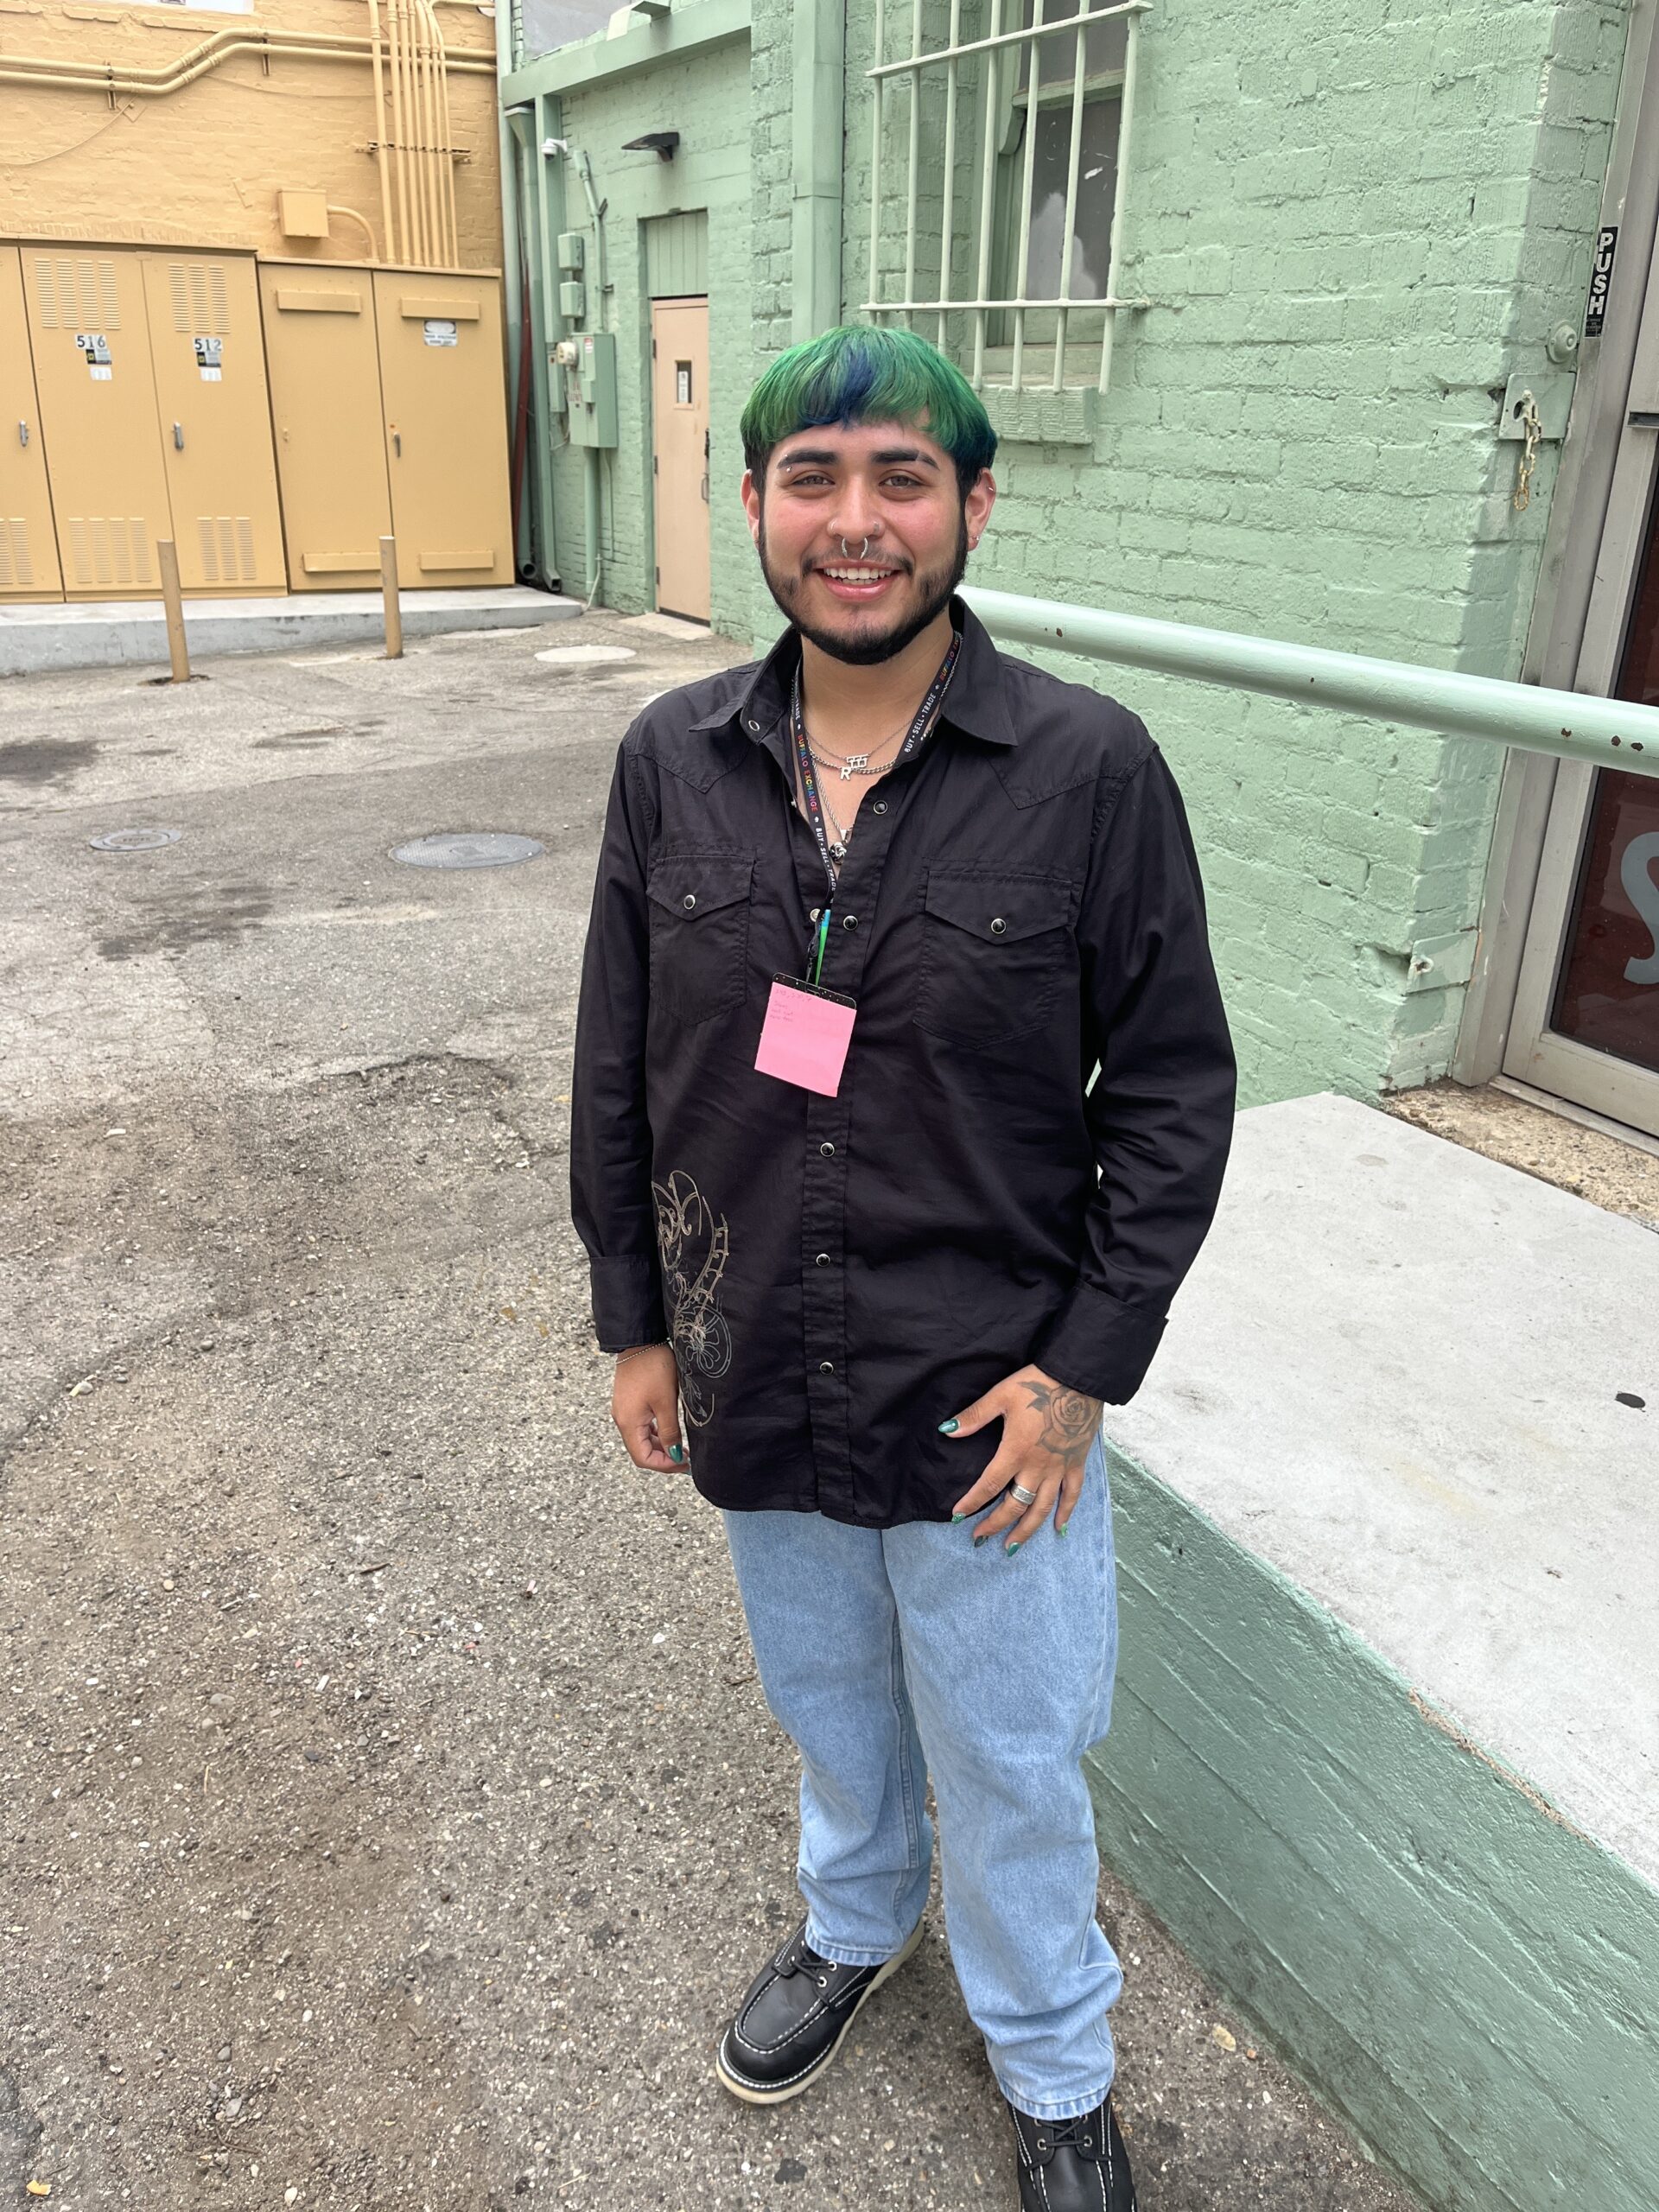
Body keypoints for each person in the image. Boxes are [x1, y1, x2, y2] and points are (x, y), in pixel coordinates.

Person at [569, 323, 1236, 2212]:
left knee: (1015, 1751)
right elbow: (621, 1050)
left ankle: (1055, 2060)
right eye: (814, 478)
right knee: (829, 1699)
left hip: (984, 1389)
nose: (855, 522)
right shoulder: (670, 765)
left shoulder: (1091, 772)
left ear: (974, 506)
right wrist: (637, 1314)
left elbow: (1174, 1084)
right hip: (756, 1352)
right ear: (759, 506)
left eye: (902, 479)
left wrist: (1086, 1363)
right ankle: (852, 1925)